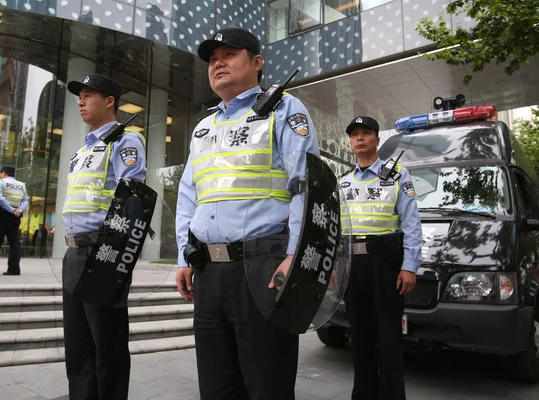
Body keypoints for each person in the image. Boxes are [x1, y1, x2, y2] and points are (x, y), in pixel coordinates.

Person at [175, 27, 320, 400]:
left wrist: (296, 257)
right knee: (216, 386)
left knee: (266, 384)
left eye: (229, 54)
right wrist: (182, 257)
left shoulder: (284, 109)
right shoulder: (204, 128)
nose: (218, 63)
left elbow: (306, 185)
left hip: (262, 265)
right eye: (212, 59)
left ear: (257, 63)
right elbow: (189, 197)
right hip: (208, 271)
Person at [61, 73, 146, 400]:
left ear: (109, 101)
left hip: (103, 252)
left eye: (88, 95)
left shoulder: (126, 141)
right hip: (74, 254)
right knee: (78, 346)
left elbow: (132, 202)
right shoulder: (81, 152)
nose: (81, 101)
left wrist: (120, 260)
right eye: (79, 96)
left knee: (106, 346)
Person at [340, 116, 423, 400]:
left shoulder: (398, 175)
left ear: (377, 139)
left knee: (388, 337)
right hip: (353, 266)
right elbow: (337, 228)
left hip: (385, 264)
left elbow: (411, 224)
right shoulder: (343, 182)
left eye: (366, 133)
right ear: (349, 142)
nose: (359, 138)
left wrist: (409, 267)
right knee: (359, 338)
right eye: (354, 134)